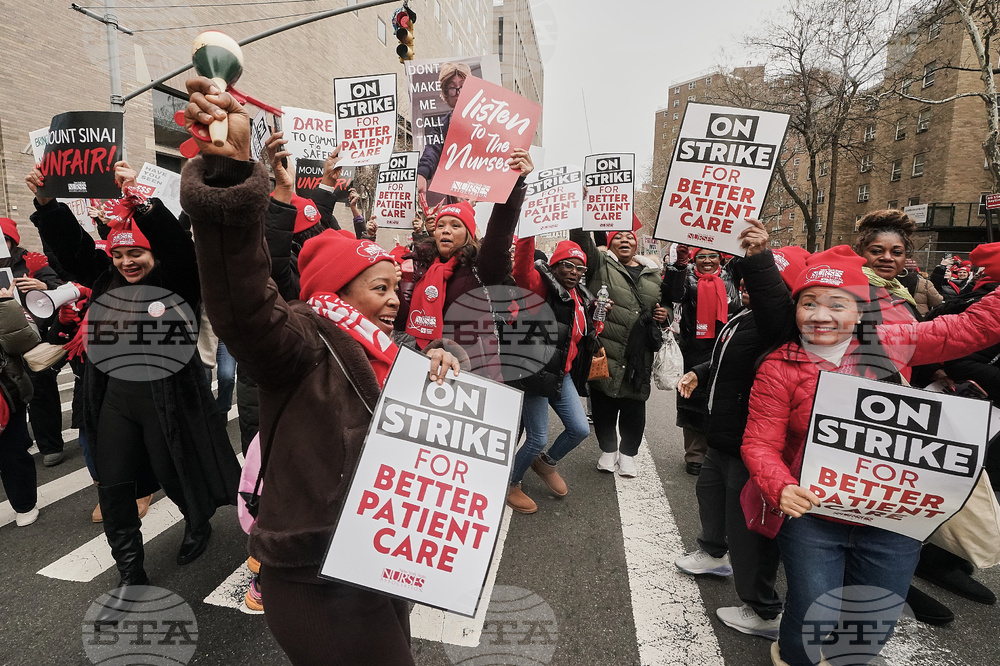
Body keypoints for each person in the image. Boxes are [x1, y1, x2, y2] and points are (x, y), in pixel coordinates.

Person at [179, 75, 464, 665]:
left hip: (384, 560)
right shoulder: (303, 338)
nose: (394, 300)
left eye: (397, 288)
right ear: (336, 289)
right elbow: (243, 305)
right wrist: (232, 180)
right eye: (380, 288)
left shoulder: (394, 347)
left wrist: (444, 359)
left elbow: (433, 381)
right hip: (318, 575)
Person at [741, 244, 1000, 666]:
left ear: (860, 311)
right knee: (810, 612)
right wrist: (781, 487)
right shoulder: (779, 366)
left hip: (893, 521)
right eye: (809, 303)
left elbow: (970, 328)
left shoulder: (891, 342)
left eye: (836, 304)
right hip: (814, 517)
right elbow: (759, 442)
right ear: (796, 309)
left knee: (871, 623)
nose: (820, 315)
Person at [26, 160, 240, 596]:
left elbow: (179, 249)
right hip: (114, 402)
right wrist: (47, 205)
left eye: (136, 254)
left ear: (153, 255)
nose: (126, 262)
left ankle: (197, 524)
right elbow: (73, 252)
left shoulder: (177, 281)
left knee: (175, 472)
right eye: (119, 254)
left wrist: (141, 204)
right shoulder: (104, 279)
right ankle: (130, 569)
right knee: (115, 485)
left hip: (168, 400)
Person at [674, 223, 806, 640]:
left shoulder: (780, 323)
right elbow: (730, 361)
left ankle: (765, 610)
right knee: (709, 494)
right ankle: (713, 552)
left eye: (758, 279)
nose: (746, 285)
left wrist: (758, 258)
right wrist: (699, 371)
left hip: (750, 446)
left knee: (749, 528)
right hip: (722, 435)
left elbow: (773, 303)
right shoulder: (744, 317)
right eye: (744, 279)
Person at [397, 153, 533, 377]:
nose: (446, 230)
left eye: (455, 226)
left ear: (469, 235)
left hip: (472, 371)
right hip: (424, 364)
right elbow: (403, 321)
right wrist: (394, 286)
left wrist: (515, 182)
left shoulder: (480, 270)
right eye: (441, 225)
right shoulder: (420, 267)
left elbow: (499, 233)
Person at [569, 226, 669, 477]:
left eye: (629, 238)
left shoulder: (653, 273)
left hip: (639, 349)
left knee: (634, 403)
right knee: (604, 400)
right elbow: (581, 240)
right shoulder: (600, 263)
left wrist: (663, 311)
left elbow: (663, 300)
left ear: (636, 245)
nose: (624, 240)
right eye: (618, 238)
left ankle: (627, 456)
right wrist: (580, 214)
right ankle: (608, 451)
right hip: (606, 345)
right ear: (610, 244)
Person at [505, 237, 597, 513]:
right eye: (567, 266)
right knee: (537, 437)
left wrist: (598, 320)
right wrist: (528, 235)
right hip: (534, 373)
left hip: (560, 373)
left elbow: (580, 334)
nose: (573, 272)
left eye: (579, 268)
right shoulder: (540, 287)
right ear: (555, 266)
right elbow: (522, 271)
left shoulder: (580, 295)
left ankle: (545, 463)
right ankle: (511, 482)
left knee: (580, 429)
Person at [663, 245, 741, 474]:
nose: (707, 261)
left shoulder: (732, 274)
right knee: (693, 400)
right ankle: (695, 455)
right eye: (702, 257)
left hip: (726, 346)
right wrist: (678, 265)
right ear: (694, 259)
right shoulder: (685, 275)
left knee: (722, 401)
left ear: (721, 257)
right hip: (695, 348)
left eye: (712, 256)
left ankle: (717, 452)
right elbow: (673, 294)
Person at [0, 217, 67, 467]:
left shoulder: (32, 261)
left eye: (5, 240)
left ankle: (50, 443)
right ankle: (15, 443)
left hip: (31, 337)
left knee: (41, 392)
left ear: (13, 241)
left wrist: (42, 284)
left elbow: (59, 287)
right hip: (1, 343)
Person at [0, 283, 42, 526]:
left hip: (5, 392)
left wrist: (6, 305)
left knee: (12, 451)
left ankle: (24, 503)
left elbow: (28, 339)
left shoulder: (5, 302)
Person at [416, 62, 471, 208]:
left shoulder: (489, 117)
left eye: (463, 86)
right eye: (452, 88)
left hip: (484, 191)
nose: (458, 92)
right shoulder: (442, 125)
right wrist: (421, 174)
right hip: (457, 194)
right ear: (446, 93)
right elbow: (432, 149)